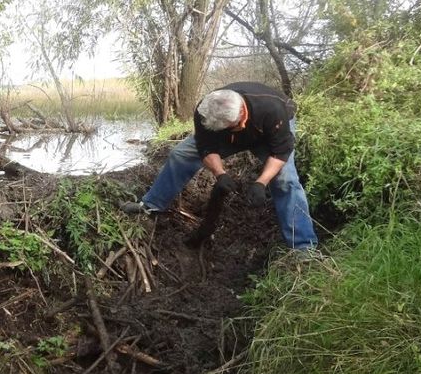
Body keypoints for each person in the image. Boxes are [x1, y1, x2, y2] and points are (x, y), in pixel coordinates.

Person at [120, 81, 318, 250]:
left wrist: (261, 182)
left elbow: (281, 152)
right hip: (226, 130)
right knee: (180, 154)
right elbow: (205, 147)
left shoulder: (273, 108)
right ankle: (151, 205)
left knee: (285, 180)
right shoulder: (206, 110)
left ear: (241, 114)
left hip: (268, 132)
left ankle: (302, 247)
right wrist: (220, 173)